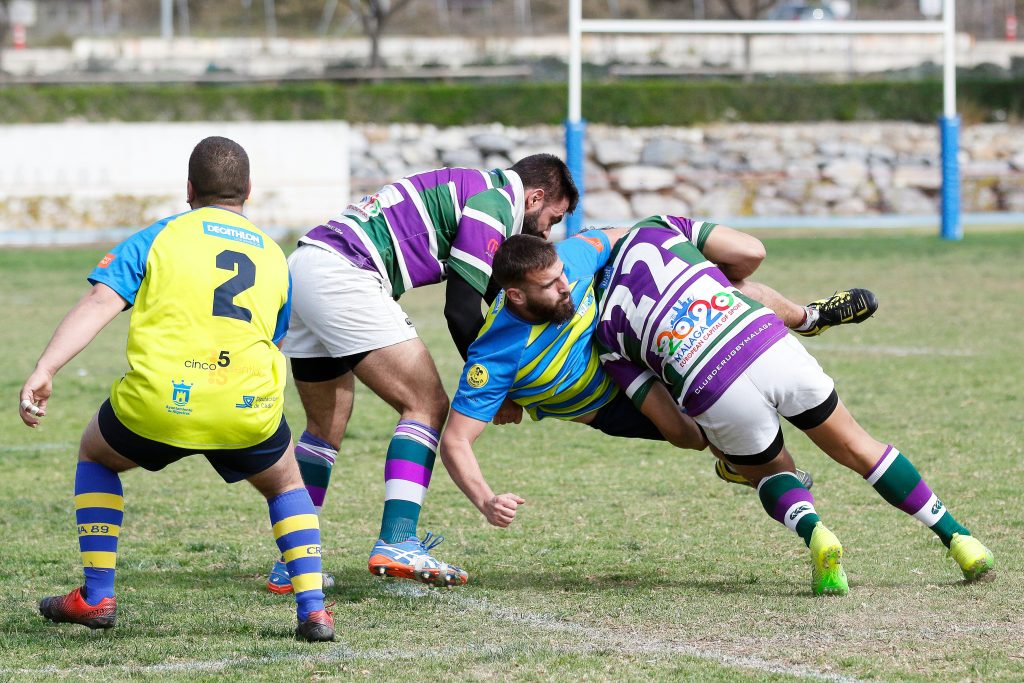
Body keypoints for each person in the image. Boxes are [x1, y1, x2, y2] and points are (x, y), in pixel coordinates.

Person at [493, 216, 994, 595]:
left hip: (713, 387)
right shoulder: (656, 229)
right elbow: (751, 251)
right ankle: (959, 539)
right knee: (862, 448)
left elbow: (677, 431)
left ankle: (817, 533)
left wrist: (718, 448)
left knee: (773, 473)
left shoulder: (607, 334)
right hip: (764, 340)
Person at [18, 137, 334, 642]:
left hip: (162, 401)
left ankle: (97, 595)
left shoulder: (158, 236)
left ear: (188, 188)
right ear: (248, 191)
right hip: (245, 405)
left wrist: (46, 367)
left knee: (96, 454)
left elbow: (101, 302)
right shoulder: (275, 255)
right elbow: (272, 339)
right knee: (287, 483)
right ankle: (313, 610)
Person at [265, 154, 579, 592]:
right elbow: (461, 311)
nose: (548, 231)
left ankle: (292, 564)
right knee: (427, 405)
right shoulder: (493, 204)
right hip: (346, 274)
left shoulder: (473, 187)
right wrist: (495, 393)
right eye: (552, 218)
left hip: (305, 265)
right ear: (535, 197)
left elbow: (490, 293)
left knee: (323, 428)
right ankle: (398, 541)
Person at [439, 221, 872, 528]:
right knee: (691, 436)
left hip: (626, 334)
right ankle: (739, 461)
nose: (565, 286)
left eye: (561, 276)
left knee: (721, 288)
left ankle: (807, 317)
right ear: (515, 295)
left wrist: (676, 259)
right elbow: (456, 440)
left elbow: (615, 235)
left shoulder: (566, 261)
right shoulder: (494, 354)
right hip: (607, 403)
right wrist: (486, 499)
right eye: (550, 286)